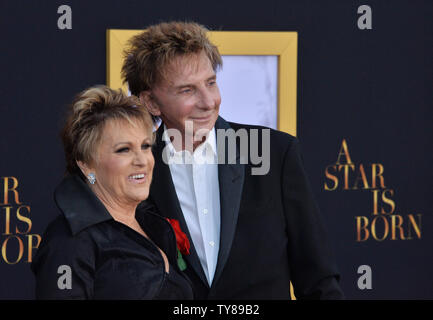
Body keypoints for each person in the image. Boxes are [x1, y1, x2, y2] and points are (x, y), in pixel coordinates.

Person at [122, 21, 344, 300]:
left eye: (210, 83)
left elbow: (318, 277)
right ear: (151, 103)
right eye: (187, 90)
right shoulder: (134, 168)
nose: (208, 101)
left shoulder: (275, 152)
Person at [31, 85, 193, 299]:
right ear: (87, 165)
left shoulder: (152, 223)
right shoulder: (70, 240)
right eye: (123, 150)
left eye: (145, 146)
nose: (141, 160)